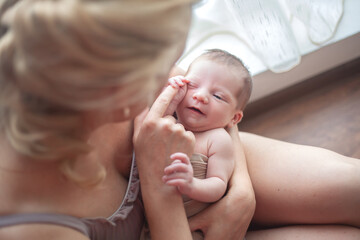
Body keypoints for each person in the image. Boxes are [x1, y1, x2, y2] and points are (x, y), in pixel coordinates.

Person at [0, 0, 359, 240]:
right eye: (164, 68)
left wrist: (240, 192)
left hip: (205, 164)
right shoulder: (35, 226)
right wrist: (160, 188)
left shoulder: (88, 51)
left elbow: (219, 102)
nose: (177, 82)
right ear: (115, 89)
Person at [142, 49, 253, 240]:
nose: (201, 96)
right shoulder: (172, 122)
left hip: (197, 226)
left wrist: (191, 185)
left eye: (218, 96)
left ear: (234, 118)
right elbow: (156, 124)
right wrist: (171, 99)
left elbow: (218, 185)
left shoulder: (218, 139)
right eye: (192, 85)